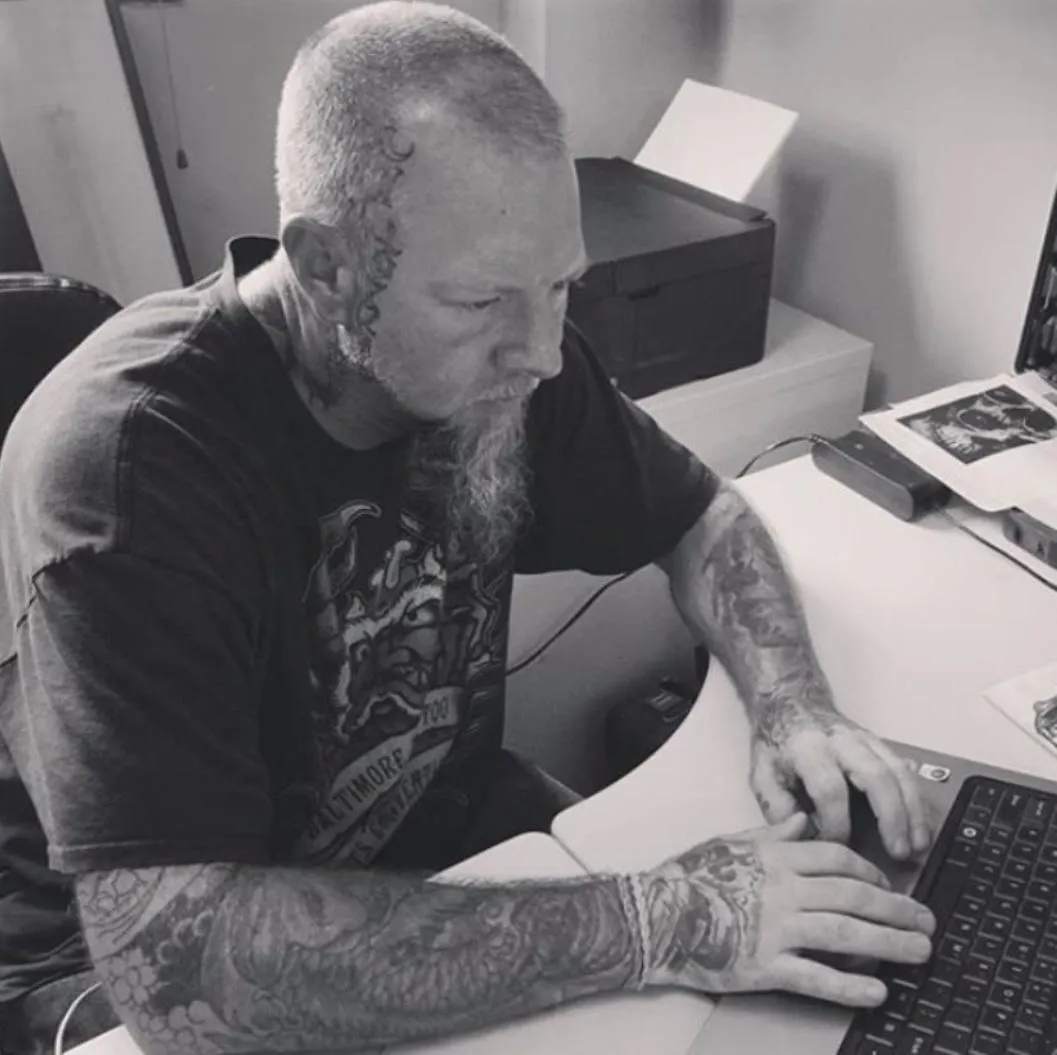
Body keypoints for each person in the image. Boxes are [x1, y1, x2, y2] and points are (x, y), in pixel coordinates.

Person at [0, 4, 936, 1053]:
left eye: (560, 284)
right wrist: (655, 917)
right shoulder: (130, 467)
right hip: (121, 968)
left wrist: (793, 701)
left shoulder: (510, 356)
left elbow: (702, 513)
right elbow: (178, 967)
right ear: (326, 267)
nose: (542, 351)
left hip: (426, 842)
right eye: (482, 301)